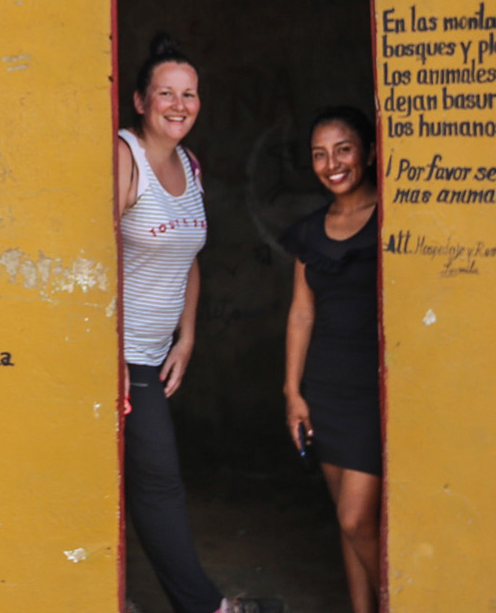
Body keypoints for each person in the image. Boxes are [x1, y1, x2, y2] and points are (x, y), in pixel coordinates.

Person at [115, 34, 256, 613]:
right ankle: (207, 609)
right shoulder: (125, 157)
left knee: (147, 483)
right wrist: (107, 360)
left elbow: (188, 256)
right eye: (166, 93)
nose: (179, 104)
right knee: (157, 485)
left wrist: (188, 335)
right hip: (119, 357)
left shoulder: (189, 164)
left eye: (189, 93)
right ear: (140, 101)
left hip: (154, 351)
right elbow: (93, 256)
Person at [281, 107, 383, 613]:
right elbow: (301, 314)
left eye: (343, 149)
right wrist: (293, 392)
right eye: (320, 154)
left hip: (373, 391)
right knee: (346, 522)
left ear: (368, 150)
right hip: (324, 388)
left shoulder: (392, 218)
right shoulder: (309, 232)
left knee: (355, 519)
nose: (332, 163)